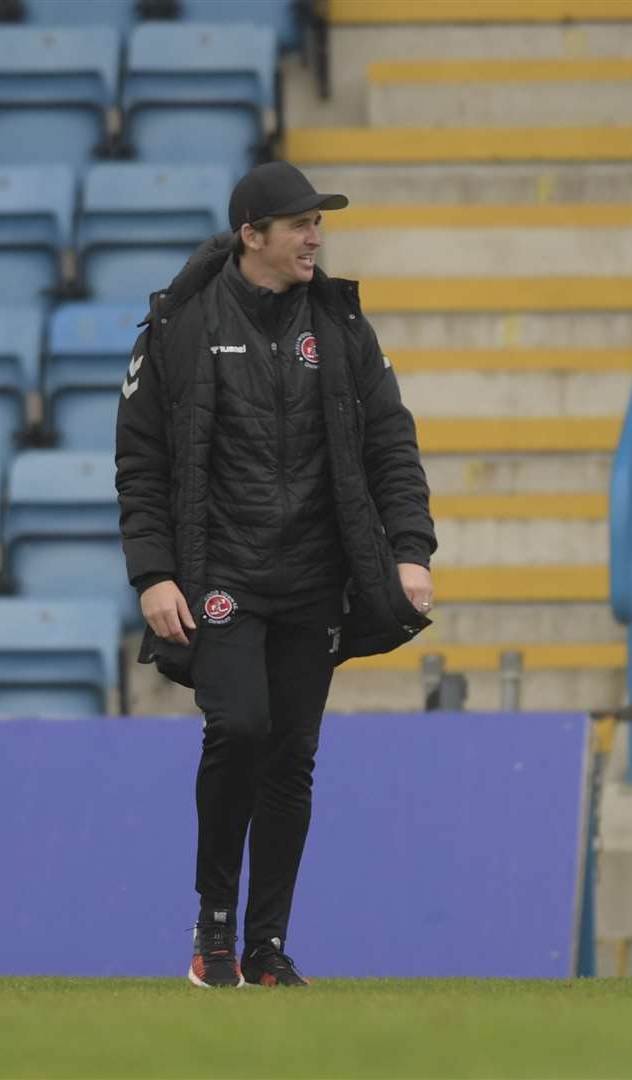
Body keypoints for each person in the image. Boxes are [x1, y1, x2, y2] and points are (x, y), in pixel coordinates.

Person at [115, 160, 437, 988]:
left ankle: (265, 946)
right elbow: (141, 462)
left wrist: (411, 551)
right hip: (221, 573)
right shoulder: (179, 325)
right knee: (242, 729)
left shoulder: (339, 325)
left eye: (318, 223)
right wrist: (153, 574)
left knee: (292, 755)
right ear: (251, 234)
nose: (315, 237)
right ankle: (214, 923)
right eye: (299, 224)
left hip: (314, 576)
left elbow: (390, 443)